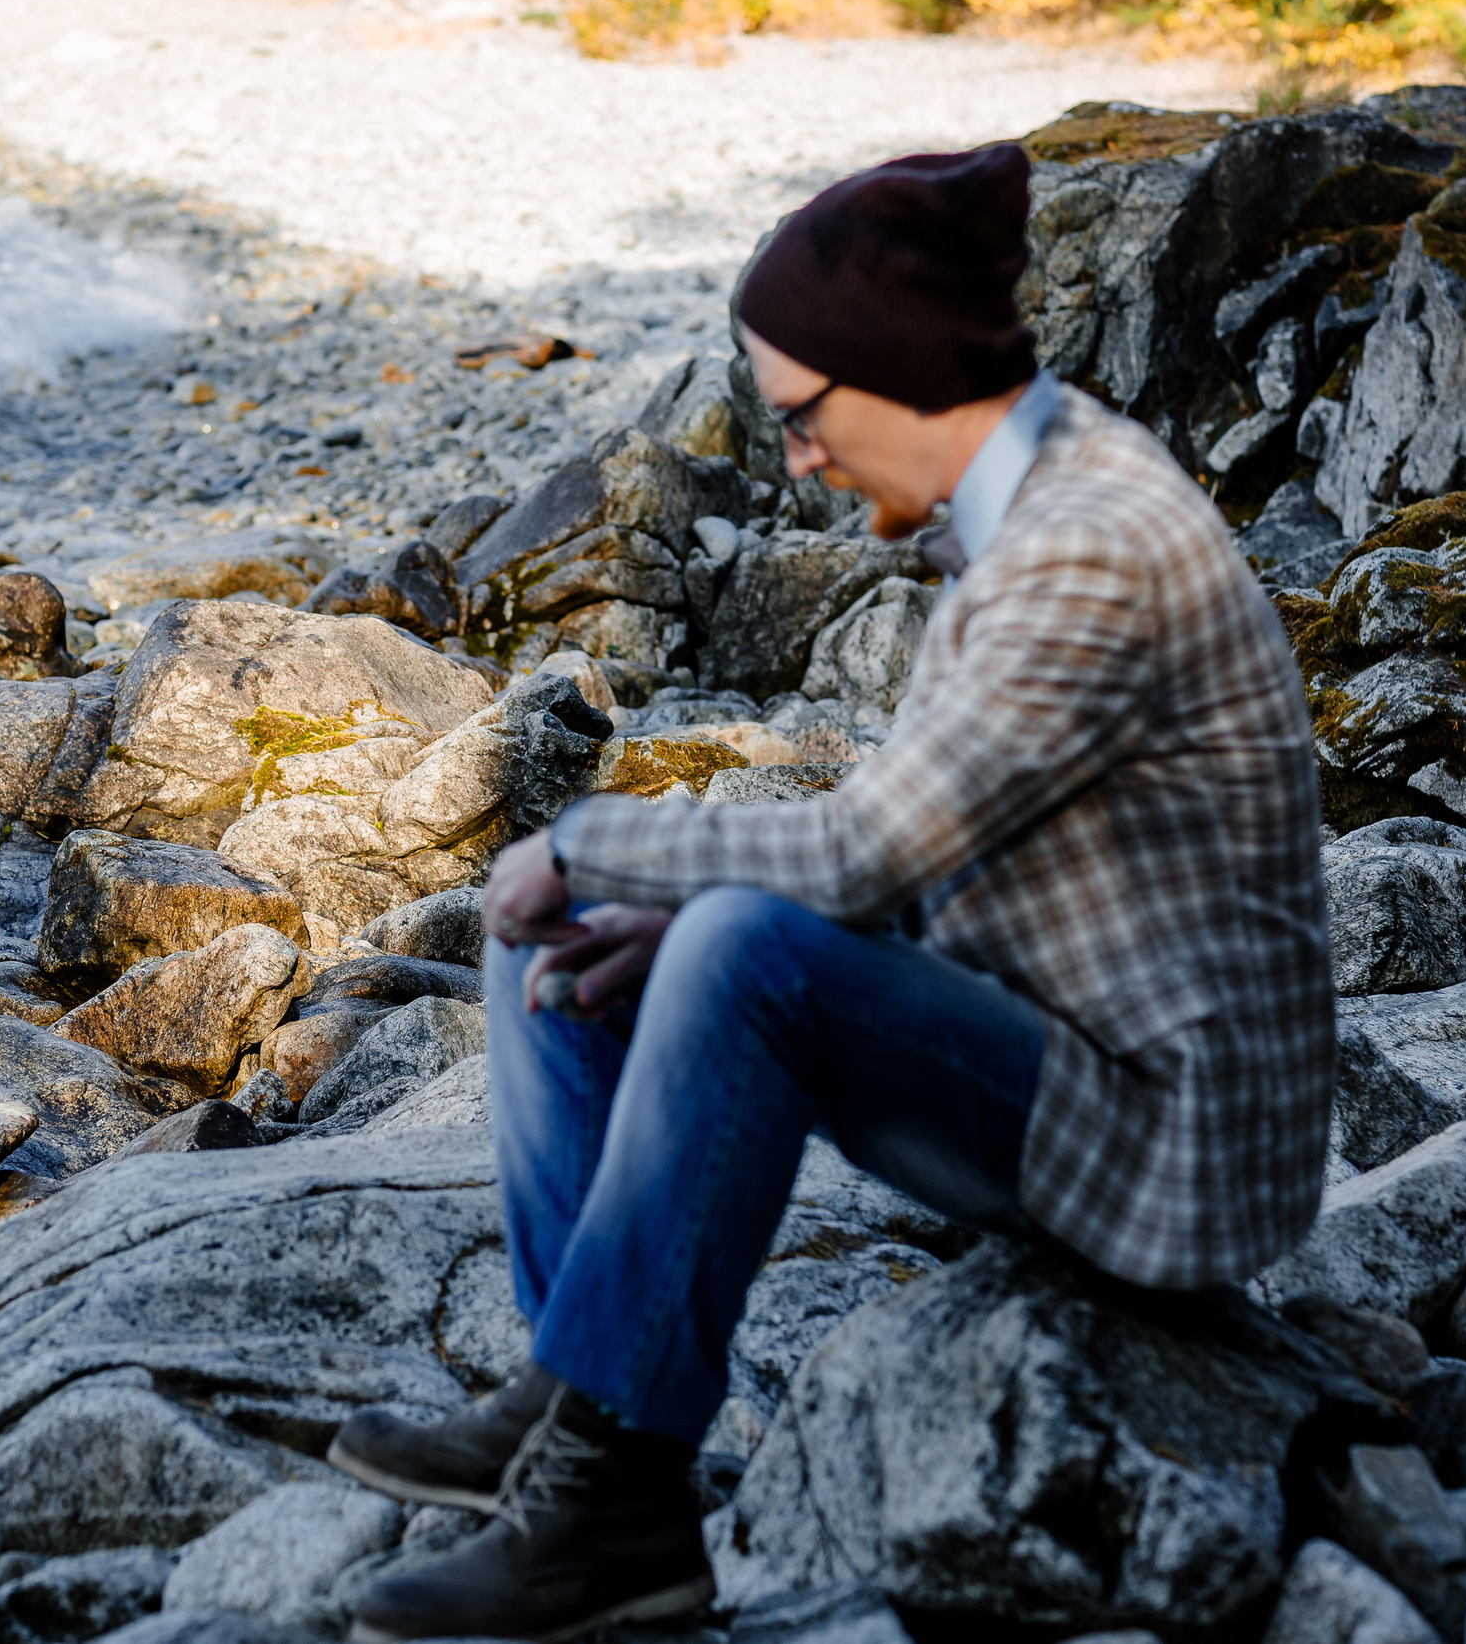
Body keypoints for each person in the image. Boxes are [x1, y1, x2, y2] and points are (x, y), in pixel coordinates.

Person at [324, 141, 1336, 1644]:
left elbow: (865, 853)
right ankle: (572, 1403)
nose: (797, 459)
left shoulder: (1090, 553)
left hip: (1164, 1146)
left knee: (714, 933)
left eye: (803, 417)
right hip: (1054, 1034)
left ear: (908, 370)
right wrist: (626, 914)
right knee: (578, 944)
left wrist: (595, 839)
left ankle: (607, 1502)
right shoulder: (1028, 504)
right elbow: (944, 852)